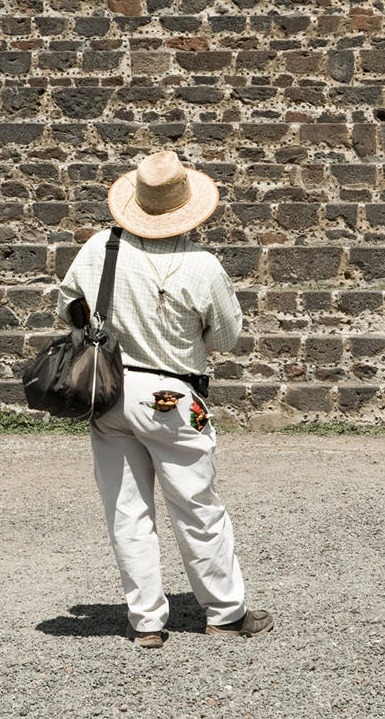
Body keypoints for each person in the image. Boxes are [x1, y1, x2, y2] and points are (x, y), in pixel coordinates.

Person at [56, 150, 273, 648]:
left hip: (108, 391)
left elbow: (69, 307)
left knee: (127, 510)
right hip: (172, 395)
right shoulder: (202, 266)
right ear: (187, 206)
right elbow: (224, 340)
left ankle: (146, 621)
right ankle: (225, 611)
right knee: (197, 505)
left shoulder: (98, 249)